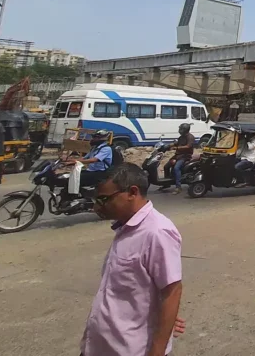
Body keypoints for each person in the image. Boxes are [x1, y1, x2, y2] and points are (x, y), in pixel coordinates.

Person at [81, 163, 185, 356]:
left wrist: (157, 350)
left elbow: (172, 291)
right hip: (101, 345)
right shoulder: (126, 227)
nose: (97, 206)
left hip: (131, 350)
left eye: (104, 199)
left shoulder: (156, 232)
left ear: (132, 192)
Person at [164, 124, 195, 194]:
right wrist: (168, 145)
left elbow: (188, 146)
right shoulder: (181, 137)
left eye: (181, 129)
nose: (179, 130)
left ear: (185, 130)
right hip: (178, 155)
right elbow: (177, 143)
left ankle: (178, 187)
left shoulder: (190, 137)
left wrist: (177, 148)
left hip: (185, 156)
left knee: (176, 168)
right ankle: (166, 184)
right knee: (166, 166)